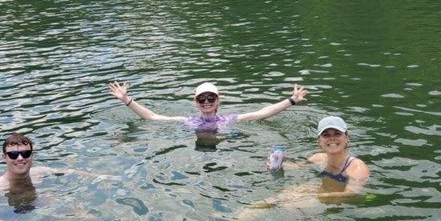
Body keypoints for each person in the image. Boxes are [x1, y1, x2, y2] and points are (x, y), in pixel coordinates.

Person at [0, 133, 115, 221]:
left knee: (90, 219)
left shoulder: (38, 172)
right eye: (13, 154)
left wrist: (100, 176)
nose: (20, 158)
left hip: (38, 205)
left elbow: (70, 171)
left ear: (32, 155)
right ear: (4, 157)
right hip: (11, 214)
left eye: (25, 153)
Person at [237, 116, 370, 218]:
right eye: (326, 135)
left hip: (336, 201)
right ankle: (236, 220)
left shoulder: (357, 167)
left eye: (337, 134)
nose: (332, 139)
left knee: (290, 206)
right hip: (319, 190)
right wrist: (279, 165)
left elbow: (351, 194)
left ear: (347, 138)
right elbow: (295, 167)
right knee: (277, 199)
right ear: (319, 141)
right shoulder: (318, 158)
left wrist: (315, 197)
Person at [108, 81, 308, 133]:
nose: (206, 102)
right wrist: (127, 100)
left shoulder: (229, 120)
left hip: (225, 145)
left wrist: (291, 100)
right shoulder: (188, 121)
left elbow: (262, 113)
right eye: (201, 98)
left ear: (218, 100)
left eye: (210, 98)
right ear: (196, 102)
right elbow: (151, 117)